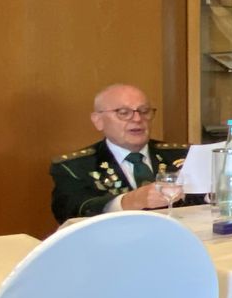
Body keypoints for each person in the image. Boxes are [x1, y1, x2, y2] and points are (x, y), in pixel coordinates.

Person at [50, 84, 191, 223]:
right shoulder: (75, 167)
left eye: (144, 111)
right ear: (98, 121)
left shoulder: (183, 156)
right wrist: (129, 201)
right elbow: (70, 211)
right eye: (123, 113)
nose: (137, 119)